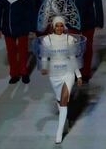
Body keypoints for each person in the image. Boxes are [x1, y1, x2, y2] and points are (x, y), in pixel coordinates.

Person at [49, 0, 104, 83]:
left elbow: (98, 3)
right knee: (73, 49)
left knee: (87, 48)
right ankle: (75, 72)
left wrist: (99, 21)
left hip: (88, 22)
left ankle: (85, 73)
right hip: (73, 21)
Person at [39, 16, 83, 144]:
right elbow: (44, 56)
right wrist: (44, 67)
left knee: (63, 101)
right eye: (57, 25)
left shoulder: (69, 39)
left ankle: (59, 132)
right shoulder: (48, 40)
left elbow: (73, 58)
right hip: (54, 74)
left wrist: (78, 75)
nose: (59, 28)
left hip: (68, 72)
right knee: (59, 100)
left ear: (64, 27)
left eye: (61, 25)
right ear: (53, 26)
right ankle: (65, 123)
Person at [0, 0, 36, 84]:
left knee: (23, 52)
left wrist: (32, 27)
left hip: (22, 26)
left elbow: (31, 11)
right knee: (11, 52)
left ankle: (24, 73)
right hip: (8, 27)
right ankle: (14, 74)